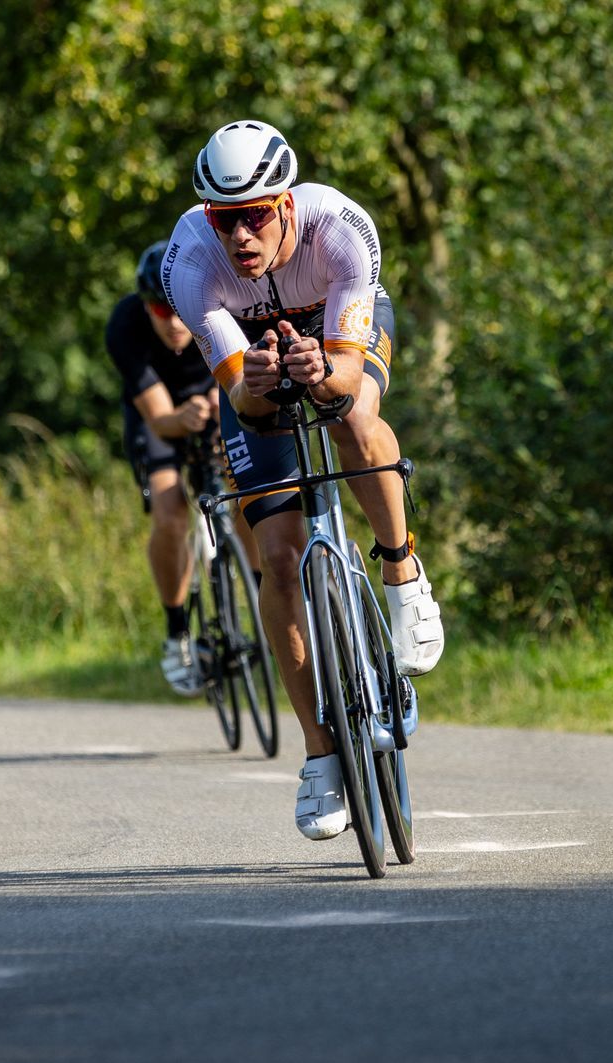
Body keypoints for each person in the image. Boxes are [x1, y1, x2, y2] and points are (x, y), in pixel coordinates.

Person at [163, 118, 444, 840]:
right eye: (226, 220)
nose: (241, 237)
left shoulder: (341, 228)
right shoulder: (189, 264)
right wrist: (256, 381)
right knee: (278, 558)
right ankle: (321, 758)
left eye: (256, 215)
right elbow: (246, 405)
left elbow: (348, 377)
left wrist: (323, 370)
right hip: (253, 351)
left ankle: (404, 575)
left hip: (334, 326)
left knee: (351, 419)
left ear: (286, 205)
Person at [105, 242, 228, 695]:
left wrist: (225, 401)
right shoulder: (125, 326)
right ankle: (176, 631)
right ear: (144, 305)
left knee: (247, 486)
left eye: (180, 309)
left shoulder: (220, 303)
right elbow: (158, 417)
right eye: (160, 309)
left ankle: (259, 592)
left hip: (218, 401)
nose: (174, 323)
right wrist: (186, 416)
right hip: (158, 417)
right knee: (171, 512)